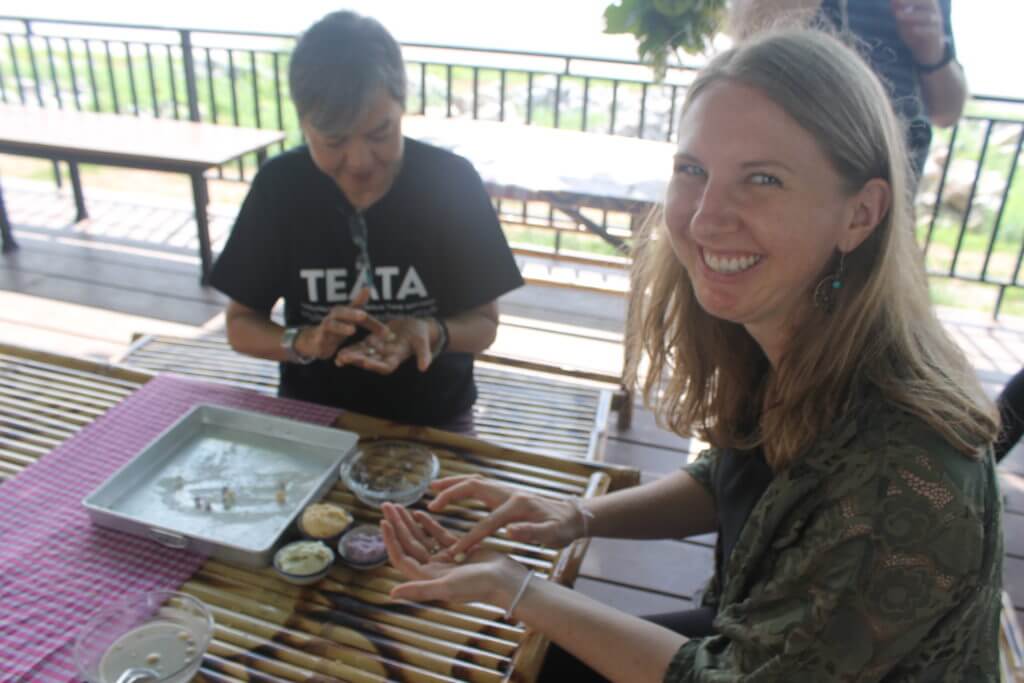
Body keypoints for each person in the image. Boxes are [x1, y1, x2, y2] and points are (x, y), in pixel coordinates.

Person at [377, 28, 1003, 682]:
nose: (706, 219)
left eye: (764, 178)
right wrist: (576, 515)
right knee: (539, 663)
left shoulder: (907, 469)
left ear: (860, 213)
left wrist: (518, 587)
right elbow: (732, 477)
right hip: (762, 631)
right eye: (693, 170)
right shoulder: (782, 323)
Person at [208, 11, 523, 431]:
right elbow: (240, 326)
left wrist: (427, 332)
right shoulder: (280, 186)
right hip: (314, 412)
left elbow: (483, 325)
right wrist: (304, 341)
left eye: (380, 134)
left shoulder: (450, 182)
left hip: (434, 415)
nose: (359, 163)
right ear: (303, 123)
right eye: (333, 141)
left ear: (402, 107)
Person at [730, 0, 967, 182]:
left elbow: (948, 112)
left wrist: (932, 51)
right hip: (789, 177)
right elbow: (745, 56)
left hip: (892, 193)